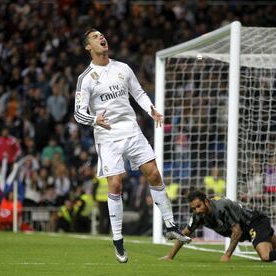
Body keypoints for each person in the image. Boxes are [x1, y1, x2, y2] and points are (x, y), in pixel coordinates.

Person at [74, 28, 190, 263]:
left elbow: (138, 93)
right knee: (115, 184)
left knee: (154, 173)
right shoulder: (86, 78)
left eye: (101, 35)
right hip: (107, 136)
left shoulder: (123, 68)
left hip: (132, 130)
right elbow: (78, 113)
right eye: (95, 37)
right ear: (88, 47)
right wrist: (95, 119)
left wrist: (152, 110)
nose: (101, 38)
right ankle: (118, 241)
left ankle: (170, 226)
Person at [161, 191, 276, 264]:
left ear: (206, 202)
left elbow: (236, 231)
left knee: (266, 256)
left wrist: (227, 254)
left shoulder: (221, 207)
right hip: (249, 228)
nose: (197, 210)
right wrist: (170, 256)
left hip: (254, 222)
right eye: (193, 208)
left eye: (198, 206)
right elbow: (183, 235)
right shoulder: (198, 216)